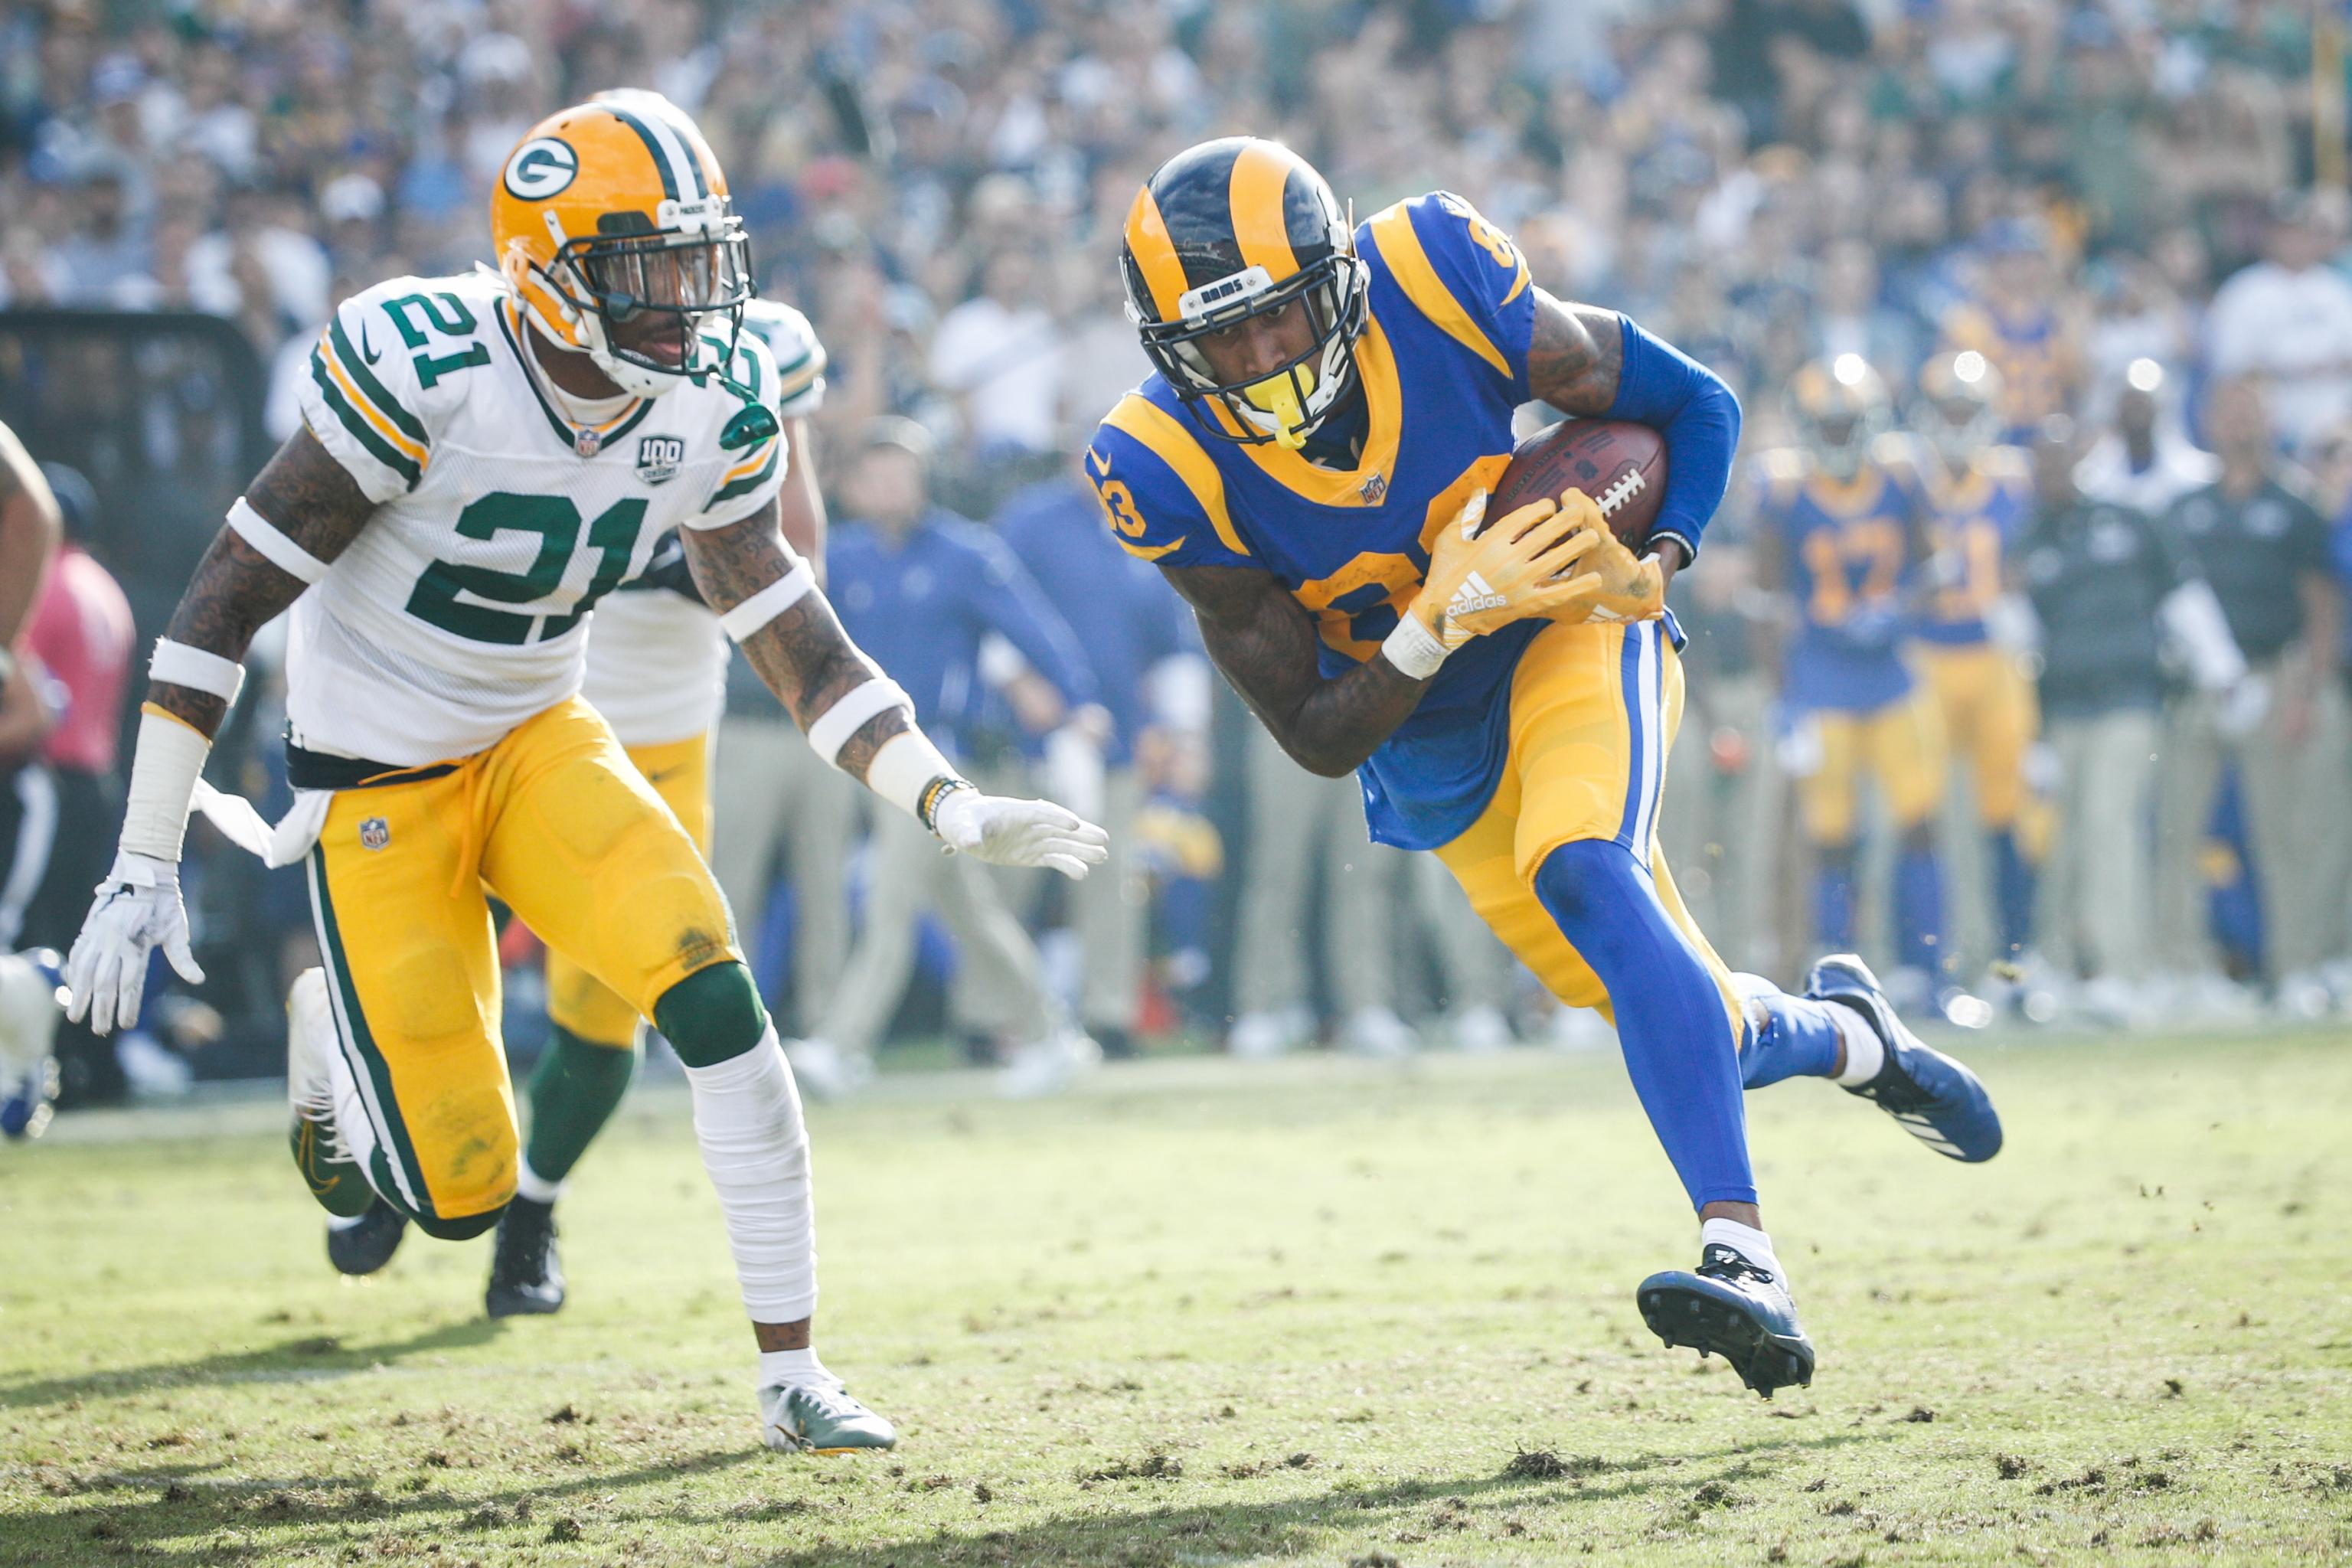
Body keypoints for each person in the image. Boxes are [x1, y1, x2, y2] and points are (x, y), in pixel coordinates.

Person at [62, 96, 1106, 1455]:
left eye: (700, 261)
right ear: (546, 269)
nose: (691, 302)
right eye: (650, 269)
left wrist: (943, 798)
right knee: (459, 1186)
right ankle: (335, 1081)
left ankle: (793, 1370)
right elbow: (215, 606)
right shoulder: (423, 364)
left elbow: (796, 636)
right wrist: (145, 852)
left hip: (542, 734)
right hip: (372, 778)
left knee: (712, 988)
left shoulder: (709, 403)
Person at [1090, 138, 2004, 1398]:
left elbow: (1698, 405)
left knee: (1583, 866)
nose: (1262, 363)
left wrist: (1656, 560)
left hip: (1575, 623)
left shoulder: (1430, 269)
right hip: (1423, 732)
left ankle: (1740, 1251)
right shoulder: (1160, 465)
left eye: (1283, 319)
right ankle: (1854, 1038)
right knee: (1673, 1009)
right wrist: (1431, 621)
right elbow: (1312, 734)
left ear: (1342, 281)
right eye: (1227, 342)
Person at [318, 288, 841, 1317]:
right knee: (419, 965)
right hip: (500, 728)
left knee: (612, 1024)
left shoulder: (753, 356)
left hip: (659, 737)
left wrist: (677, 548)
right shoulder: (524, 367)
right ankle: (387, 1136)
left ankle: (531, 1211)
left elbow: (795, 554)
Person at [792, 420, 1102, 1100]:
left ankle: (840, 1048)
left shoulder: (963, 552)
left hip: (935, 761)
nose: (892, 486)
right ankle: (1053, 1035)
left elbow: (1030, 626)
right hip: (857, 758)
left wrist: (1077, 698)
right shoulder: (842, 558)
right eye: (877, 474)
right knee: (974, 918)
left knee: (890, 904)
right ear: (853, 487)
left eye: (904, 471)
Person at [1756, 356, 1952, 1007]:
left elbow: (1936, 569)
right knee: (1830, 837)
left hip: (1892, 676)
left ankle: (1928, 972)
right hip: (1821, 680)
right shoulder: (1782, 491)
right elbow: (1769, 603)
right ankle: (1839, 974)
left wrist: (1900, 608)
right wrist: (1783, 695)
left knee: (1920, 822)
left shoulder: (1902, 473)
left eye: (1847, 426)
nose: (1839, 438)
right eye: (1828, 427)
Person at [2017, 417, 2226, 1023]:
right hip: (2064, 710)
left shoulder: (2131, 520)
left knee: (2111, 823)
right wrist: (2033, 733)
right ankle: (2058, 964)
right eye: (2043, 466)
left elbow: (2182, 596)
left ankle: (2123, 970)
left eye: (2060, 462)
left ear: (2080, 461)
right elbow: (2021, 642)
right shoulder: (2030, 540)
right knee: (2070, 839)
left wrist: (2220, 666)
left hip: (2131, 700)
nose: (2052, 475)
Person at [995, 451, 1198, 1059]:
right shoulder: (1028, 521)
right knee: (1013, 883)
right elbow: (987, 606)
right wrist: (1016, 681)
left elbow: (1174, 641)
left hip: (1117, 737)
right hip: (1031, 736)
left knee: (1111, 880)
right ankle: (1003, 1020)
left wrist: (1182, 732)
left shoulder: (1146, 518)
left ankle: (1109, 1015)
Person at [2153, 379, 2346, 1012]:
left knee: (2283, 832)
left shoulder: (2295, 504)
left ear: (2268, 421)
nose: (2238, 424)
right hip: (2202, 682)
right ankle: (2184, 968)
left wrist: (2305, 692)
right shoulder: (2186, 507)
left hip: (2271, 675)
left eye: (2250, 412)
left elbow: (2321, 607)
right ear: (2207, 421)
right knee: (2180, 829)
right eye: (2228, 411)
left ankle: (2297, 966)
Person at [1908, 351, 2039, 976]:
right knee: (1922, 812)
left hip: (1996, 659)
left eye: (1968, 411)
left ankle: (2017, 960)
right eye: (1948, 412)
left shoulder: (2015, 476)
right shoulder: (1907, 477)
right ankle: (1932, 966)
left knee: (2007, 812)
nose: (1957, 424)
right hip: (1928, 653)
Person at [17, 465, 135, 1111]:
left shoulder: (45, 586)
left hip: (52, 780)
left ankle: (45, 1065)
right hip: (100, 778)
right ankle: (99, 1062)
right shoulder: (104, 590)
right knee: (92, 932)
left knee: (40, 927)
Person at [2204, 192, 2352, 456]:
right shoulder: (2243, 291)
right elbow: (2229, 369)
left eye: (2300, 233)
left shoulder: (2336, 290)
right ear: (2270, 236)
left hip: (2335, 433)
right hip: (2268, 436)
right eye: (2285, 233)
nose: (2293, 242)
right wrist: (2289, 368)